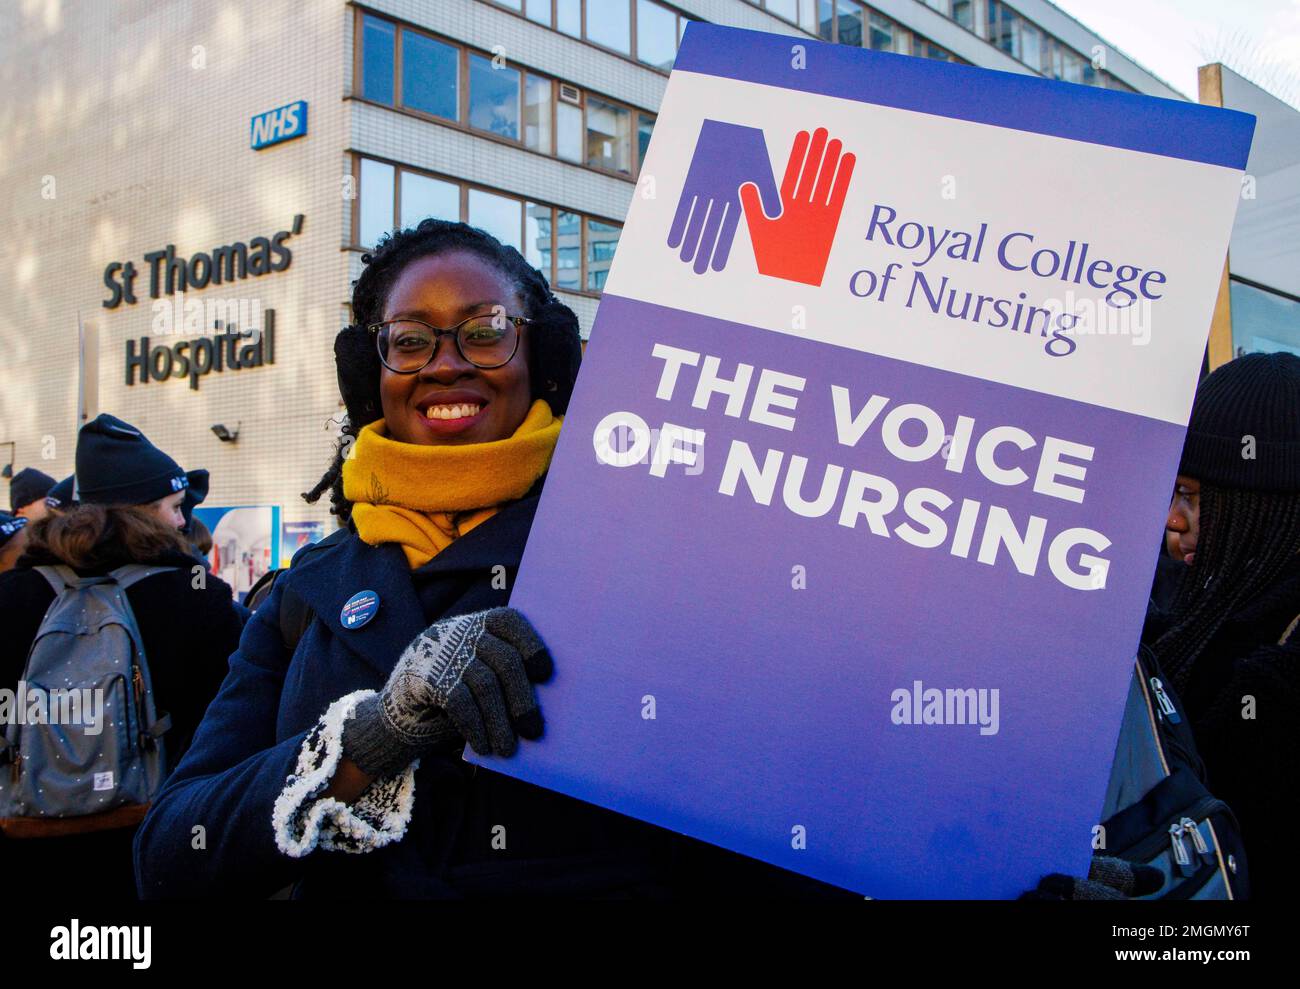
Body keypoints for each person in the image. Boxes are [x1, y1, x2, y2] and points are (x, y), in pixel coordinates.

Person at [134, 219, 856, 899]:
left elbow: (777, 834)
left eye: (485, 332)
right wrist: (374, 734)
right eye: (410, 340)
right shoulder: (306, 593)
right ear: (371, 371)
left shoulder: (643, 557)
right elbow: (169, 855)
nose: (446, 364)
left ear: (540, 354)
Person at [0, 415, 246, 898]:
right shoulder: (197, 598)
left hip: (25, 846)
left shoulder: (11, 594)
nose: (182, 521)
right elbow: (233, 727)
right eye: (175, 507)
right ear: (141, 510)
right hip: (151, 852)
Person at [1142, 351, 1300, 901]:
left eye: (1196, 495)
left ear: (1269, 509)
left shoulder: (1280, 684)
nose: (1173, 517)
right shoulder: (1185, 626)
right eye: (1173, 490)